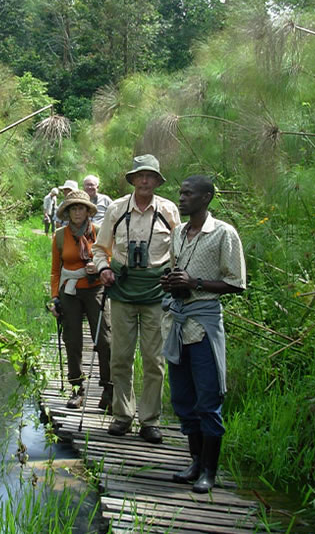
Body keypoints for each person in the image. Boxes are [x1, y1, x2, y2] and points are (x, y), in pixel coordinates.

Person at [160, 175, 245, 494]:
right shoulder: (178, 233)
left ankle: (210, 471)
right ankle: (195, 462)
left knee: (208, 399)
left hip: (204, 325)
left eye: (188, 194)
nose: (181, 199)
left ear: (206, 197)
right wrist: (171, 282)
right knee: (183, 399)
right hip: (177, 324)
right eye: (180, 193)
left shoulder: (223, 233)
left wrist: (195, 283)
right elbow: (176, 270)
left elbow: (236, 283)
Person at [92, 155, 180, 443]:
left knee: (154, 359)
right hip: (122, 289)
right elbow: (99, 248)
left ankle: (150, 420)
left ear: (157, 181)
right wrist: (104, 269)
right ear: (132, 180)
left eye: (150, 176)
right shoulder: (116, 210)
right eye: (140, 176)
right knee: (120, 356)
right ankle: (122, 415)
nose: (145, 181)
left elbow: (179, 253)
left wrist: (177, 281)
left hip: (157, 292)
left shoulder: (168, 210)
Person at [48, 190, 113, 411]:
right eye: (73, 208)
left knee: (104, 339)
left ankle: (108, 390)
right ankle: (77, 389)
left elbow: (109, 257)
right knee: (72, 340)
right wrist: (55, 298)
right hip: (70, 292)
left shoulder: (98, 233)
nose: (77, 212)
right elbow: (55, 271)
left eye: (81, 208)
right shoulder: (59, 236)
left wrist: (100, 266)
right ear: (67, 212)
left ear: (88, 211)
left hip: (95, 289)